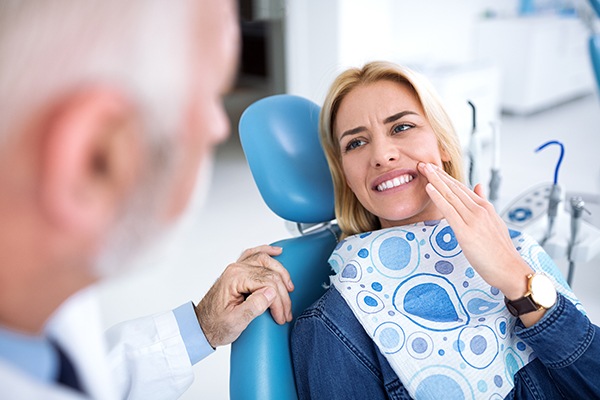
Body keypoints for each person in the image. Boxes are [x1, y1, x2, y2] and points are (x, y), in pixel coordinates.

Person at [0, 0, 294, 398]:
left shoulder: (36, 309)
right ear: (95, 159)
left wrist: (202, 325)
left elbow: (99, 380)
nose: (217, 126)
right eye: (211, 94)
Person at [290, 61, 600, 399]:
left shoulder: (518, 252)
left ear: (444, 145)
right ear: (346, 178)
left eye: (401, 127)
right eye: (356, 143)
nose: (381, 155)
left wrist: (515, 279)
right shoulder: (333, 325)